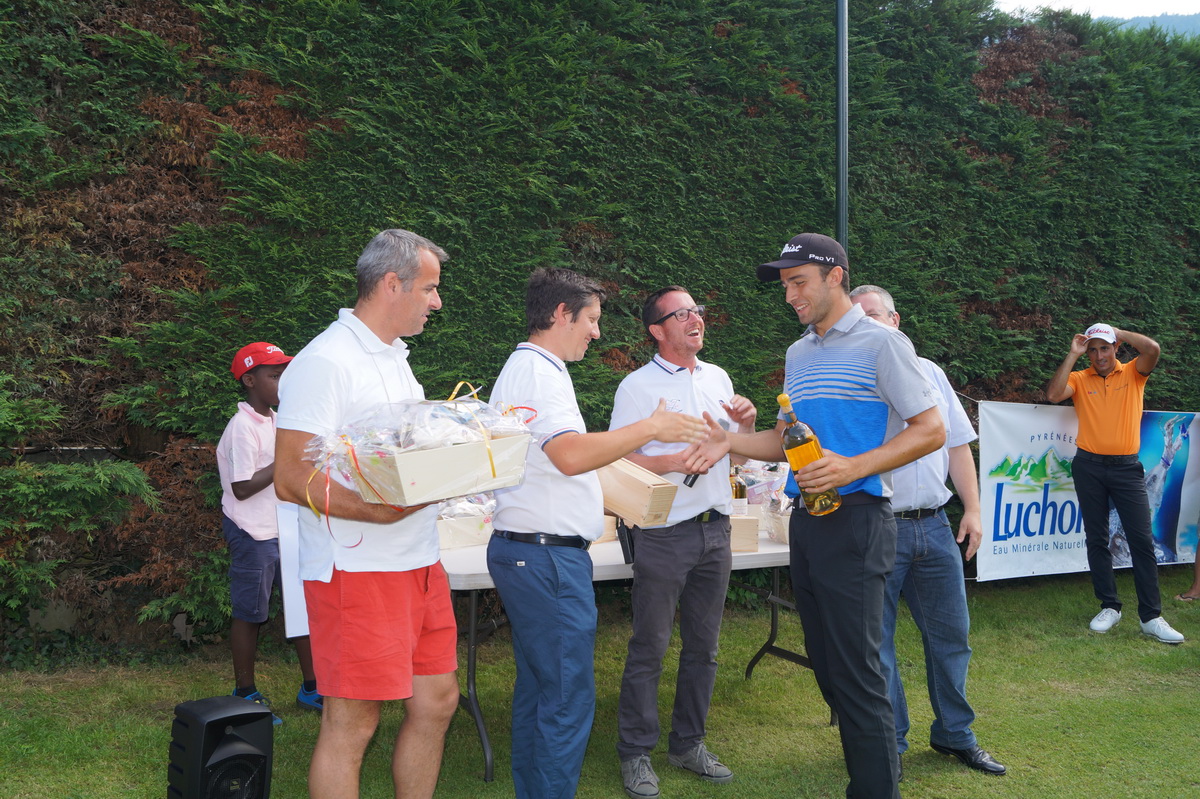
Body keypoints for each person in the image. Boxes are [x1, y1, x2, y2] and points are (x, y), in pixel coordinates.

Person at [721, 233, 945, 799]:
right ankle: (870, 776)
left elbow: (931, 430)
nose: (790, 295)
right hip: (808, 521)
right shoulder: (799, 352)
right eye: (785, 285)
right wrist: (726, 441)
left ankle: (875, 789)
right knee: (827, 665)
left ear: (835, 276)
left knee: (858, 672)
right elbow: (785, 440)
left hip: (859, 521)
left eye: (799, 282)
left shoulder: (883, 343)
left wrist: (853, 466)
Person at [486, 268, 712, 799]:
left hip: (528, 551)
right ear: (561, 314)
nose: (596, 332)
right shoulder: (540, 373)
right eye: (590, 319)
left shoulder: (526, 367)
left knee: (541, 690)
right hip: (547, 558)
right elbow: (568, 455)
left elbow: (557, 459)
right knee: (566, 697)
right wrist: (650, 428)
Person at [274, 230, 460, 799]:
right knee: (353, 721)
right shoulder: (326, 361)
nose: (437, 302)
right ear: (391, 284)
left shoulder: (394, 357)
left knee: (437, 701)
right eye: (429, 289)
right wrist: (374, 514)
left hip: (418, 558)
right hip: (357, 569)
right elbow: (291, 476)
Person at [849, 286, 1005, 777]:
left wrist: (972, 509)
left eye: (874, 315)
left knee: (952, 638)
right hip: (878, 526)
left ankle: (955, 735)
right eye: (857, 318)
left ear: (895, 319)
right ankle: (889, 743)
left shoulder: (930, 371)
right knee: (878, 646)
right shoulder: (853, 377)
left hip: (935, 527)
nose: (867, 325)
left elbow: (957, 445)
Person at [610, 286, 758, 799]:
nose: (696, 318)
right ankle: (635, 752)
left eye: (697, 310)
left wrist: (747, 425)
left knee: (704, 648)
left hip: (716, 529)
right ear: (657, 330)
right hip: (663, 532)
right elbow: (616, 459)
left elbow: (738, 458)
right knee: (649, 646)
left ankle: (688, 744)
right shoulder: (637, 386)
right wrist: (670, 461)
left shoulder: (718, 378)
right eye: (682, 314)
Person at [1045, 322, 1184, 644]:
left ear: (1115, 348)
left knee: (1141, 541)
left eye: (1104, 348)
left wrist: (1117, 332)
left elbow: (1152, 349)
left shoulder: (1134, 372)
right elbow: (1053, 395)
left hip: (1126, 469)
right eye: (1093, 350)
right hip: (1088, 466)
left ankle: (1151, 617)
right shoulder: (1080, 378)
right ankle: (1110, 606)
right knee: (1097, 539)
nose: (1099, 356)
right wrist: (1073, 354)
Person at [216, 342, 321, 724]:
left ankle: (312, 687)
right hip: (253, 532)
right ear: (249, 380)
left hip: (286, 528)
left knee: (301, 608)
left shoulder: (278, 420)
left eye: (284, 375)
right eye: (274, 376)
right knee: (251, 614)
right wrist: (286, 461)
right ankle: (245, 692)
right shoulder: (242, 427)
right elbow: (242, 487)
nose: (283, 382)